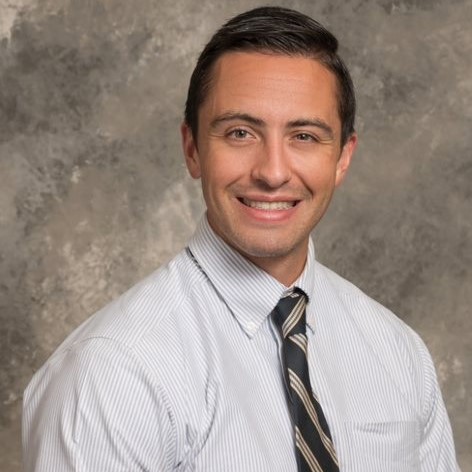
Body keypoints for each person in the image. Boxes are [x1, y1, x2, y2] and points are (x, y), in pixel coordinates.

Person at [23, 6, 459, 471]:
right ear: (193, 149)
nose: (272, 172)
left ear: (342, 158)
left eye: (305, 136)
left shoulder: (397, 351)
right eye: (240, 132)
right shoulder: (111, 374)